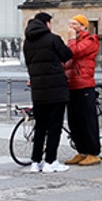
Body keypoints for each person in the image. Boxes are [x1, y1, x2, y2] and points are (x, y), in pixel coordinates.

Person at [23, 12, 75, 174]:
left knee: (40, 127)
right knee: (54, 127)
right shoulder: (53, 39)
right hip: (55, 90)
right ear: (46, 23)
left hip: (38, 91)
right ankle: (50, 162)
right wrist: (71, 39)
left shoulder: (27, 42)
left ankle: (36, 161)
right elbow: (67, 55)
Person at [63, 15, 102, 166]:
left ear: (84, 26)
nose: (71, 26)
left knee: (87, 121)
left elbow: (75, 53)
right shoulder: (74, 42)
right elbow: (66, 59)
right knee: (74, 121)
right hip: (71, 84)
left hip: (84, 84)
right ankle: (81, 151)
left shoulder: (91, 41)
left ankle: (93, 153)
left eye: (75, 24)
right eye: (70, 23)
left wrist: (71, 39)